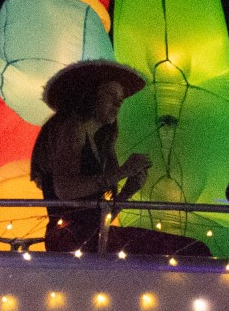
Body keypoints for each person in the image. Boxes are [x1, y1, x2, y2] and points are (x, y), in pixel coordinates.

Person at [31, 59, 150, 213]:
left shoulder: (99, 142)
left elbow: (98, 224)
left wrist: (127, 192)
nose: (117, 104)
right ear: (92, 94)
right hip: (67, 235)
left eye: (120, 100)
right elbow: (65, 190)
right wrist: (123, 171)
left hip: (90, 235)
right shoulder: (73, 128)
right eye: (111, 95)